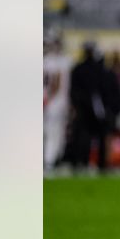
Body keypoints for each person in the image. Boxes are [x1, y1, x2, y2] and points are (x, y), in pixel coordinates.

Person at [67, 42, 110, 171]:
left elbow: (74, 90)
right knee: (90, 135)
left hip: (85, 105)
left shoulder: (79, 68)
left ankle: (80, 161)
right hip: (93, 106)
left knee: (82, 135)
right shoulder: (97, 69)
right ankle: (98, 163)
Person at [43, 33, 72, 170]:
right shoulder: (53, 61)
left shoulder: (52, 60)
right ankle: (49, 160)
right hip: (54, 103)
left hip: (53, 102)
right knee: (53, 132)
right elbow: (56, 83)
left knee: (55, 132)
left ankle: (53, 160)